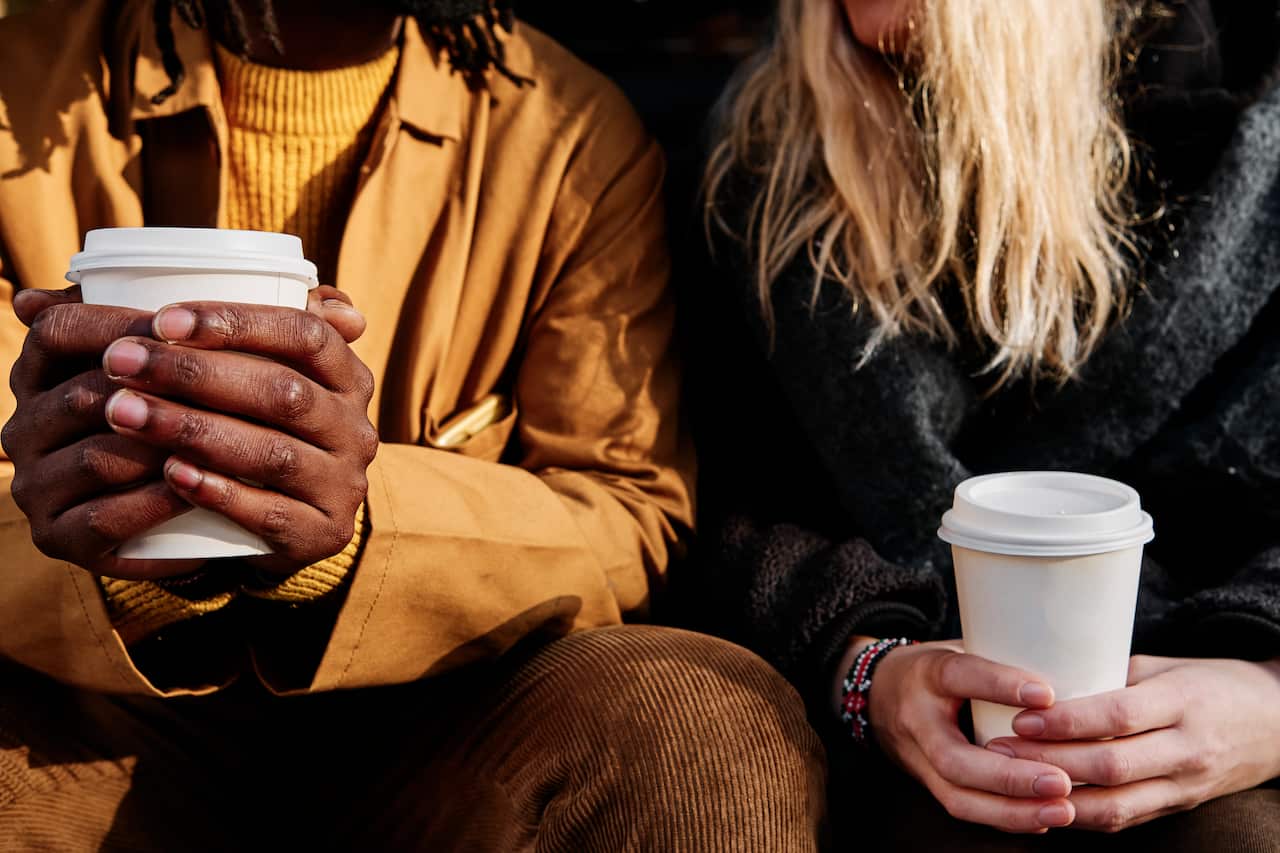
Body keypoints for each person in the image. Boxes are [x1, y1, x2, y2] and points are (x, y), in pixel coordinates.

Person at [0, 0, 828, 848]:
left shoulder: (564, 129)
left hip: (450, 727)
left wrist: (352, 531)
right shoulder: (16, 91)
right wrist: (134, 541)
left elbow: (627, 510)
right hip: (89, 722)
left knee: (698, 718)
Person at [693, 0, 1280, 848]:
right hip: (911, 741)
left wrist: (1269, 691)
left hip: (1224, 716)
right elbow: (717, 501)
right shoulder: (766, 168)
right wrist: (864, 669)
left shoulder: (1239, 110)